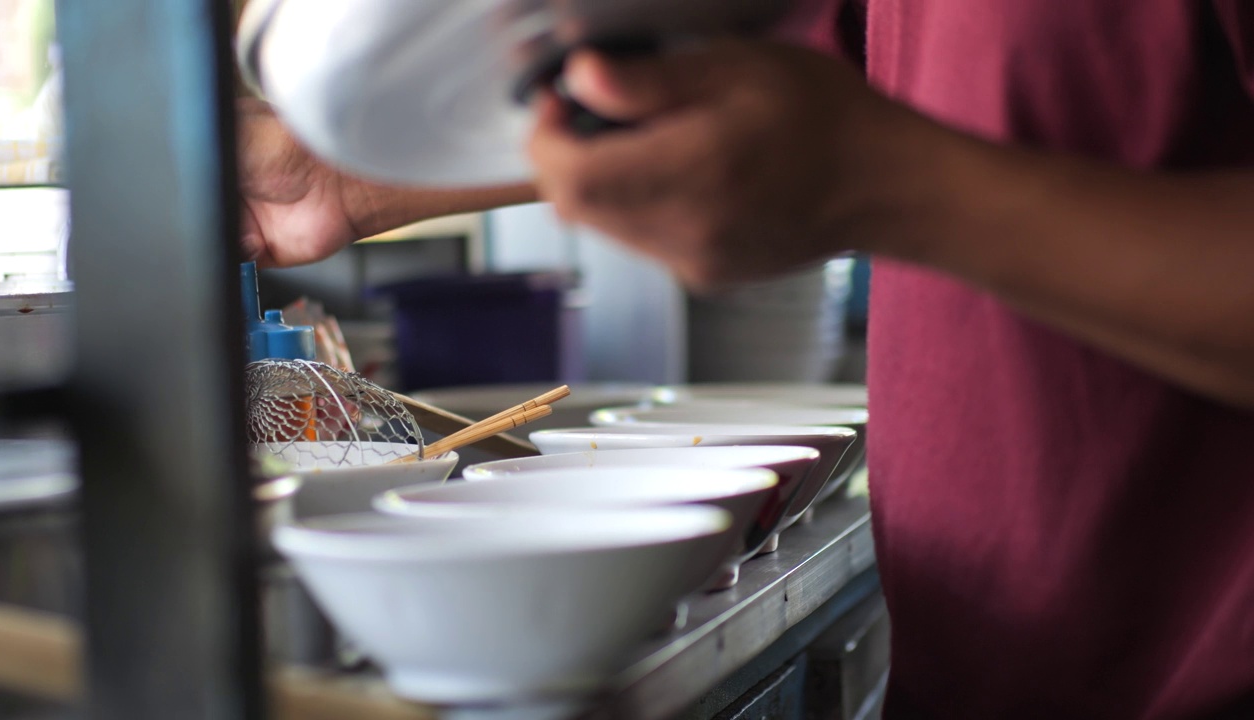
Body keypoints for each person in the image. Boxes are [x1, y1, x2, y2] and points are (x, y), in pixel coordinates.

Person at [239, 1, 1254, 717]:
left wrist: (885, 182)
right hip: (985, 673)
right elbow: (814, 79)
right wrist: (333, 172)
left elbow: (871, 143)